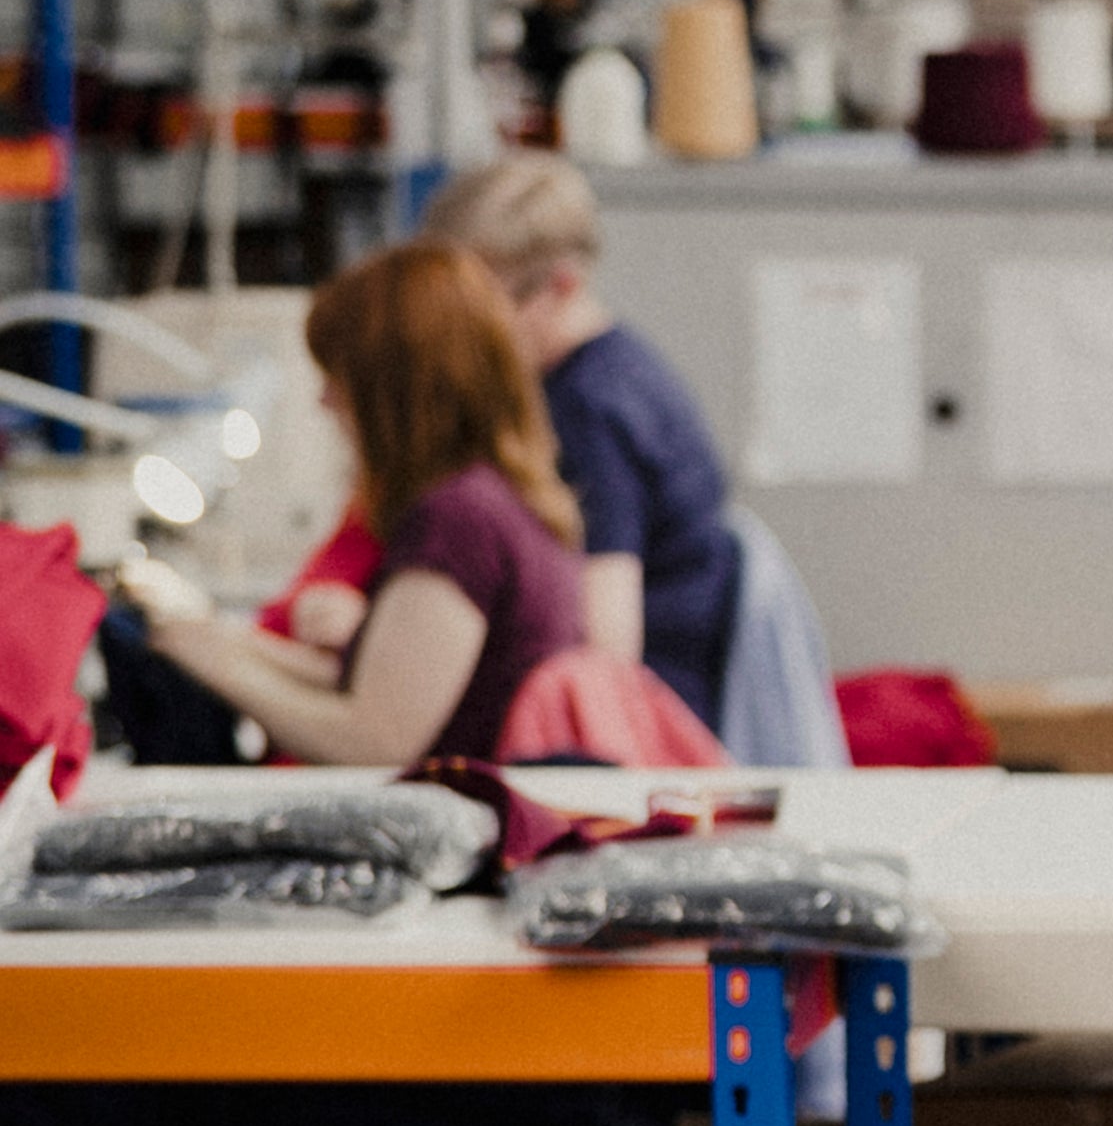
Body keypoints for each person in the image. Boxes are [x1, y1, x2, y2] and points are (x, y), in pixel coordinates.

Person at [127, 238, 585, 766]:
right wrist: (223, 647)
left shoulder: (460, 521)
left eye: (340, 379)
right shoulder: (502, 502)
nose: (325, 402)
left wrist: (218, 664)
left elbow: (376, 741)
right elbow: (379, 690)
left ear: (393, 391)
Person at [418, 150, 734, 725]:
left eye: (485, 307)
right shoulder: (624, 367)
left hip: (641, 737)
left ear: (563, 284)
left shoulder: (589, 411)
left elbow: (606, 652)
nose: (460, 335)